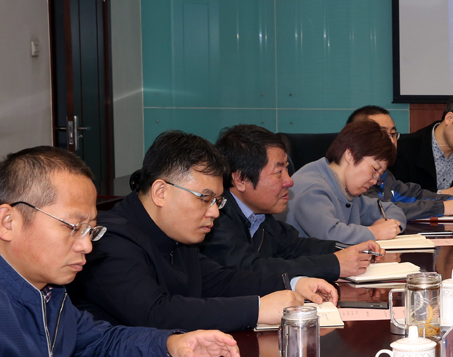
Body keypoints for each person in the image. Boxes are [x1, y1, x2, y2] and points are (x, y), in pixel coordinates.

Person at [0, 147, 241, 357]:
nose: (86, 246)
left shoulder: (50, 291)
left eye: (91, 230)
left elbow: (97, 344)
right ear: (8, 222)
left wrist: (171, 345)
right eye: (73, 227)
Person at [70, 133, 335, 332]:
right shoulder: (110, 239)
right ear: (161, 192)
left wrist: (293, 283)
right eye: (205, 199)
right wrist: (256, 309)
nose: (214, 212)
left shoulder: (176, 234)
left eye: (218, 201)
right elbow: (155, 314)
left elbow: (219, 281)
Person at [202, 125, 380, 280]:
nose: (289, 181)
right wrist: (335, 264)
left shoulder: (260, 215)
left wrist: (350, 250)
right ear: (241, 179)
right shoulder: (215, 219)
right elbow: (252, 269)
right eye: (278, 172)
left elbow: (295, 246)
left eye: (287, 169)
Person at [286, 120, 407, 245]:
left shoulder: (349, 192)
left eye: (379, 176)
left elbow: (392, 210)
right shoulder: (312, 189)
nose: (375, 181)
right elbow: (330, 235)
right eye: (375, 169)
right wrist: (375, 232)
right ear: (351, 155)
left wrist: (389, 224)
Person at [346, 106, 453, 221]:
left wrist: (452, 201)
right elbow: (380, 211)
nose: (391, 141)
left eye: (393, 134)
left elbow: (412, 195)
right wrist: (440, 208)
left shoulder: (385, 174)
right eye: (382, 134)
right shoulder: (354, 177)